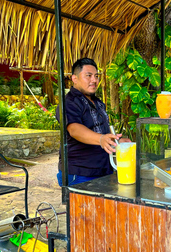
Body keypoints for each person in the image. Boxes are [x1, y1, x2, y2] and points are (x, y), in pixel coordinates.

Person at [56, 58, 130, 186]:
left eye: (96, 76)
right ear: (75, 78)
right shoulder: (69, 103)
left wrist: (116, 141)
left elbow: (102, 132)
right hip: (79, 173)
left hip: (102, 170)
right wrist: (101, 139)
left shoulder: (98, 103)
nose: (94, 80)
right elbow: (74, 129)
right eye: (88, 76)